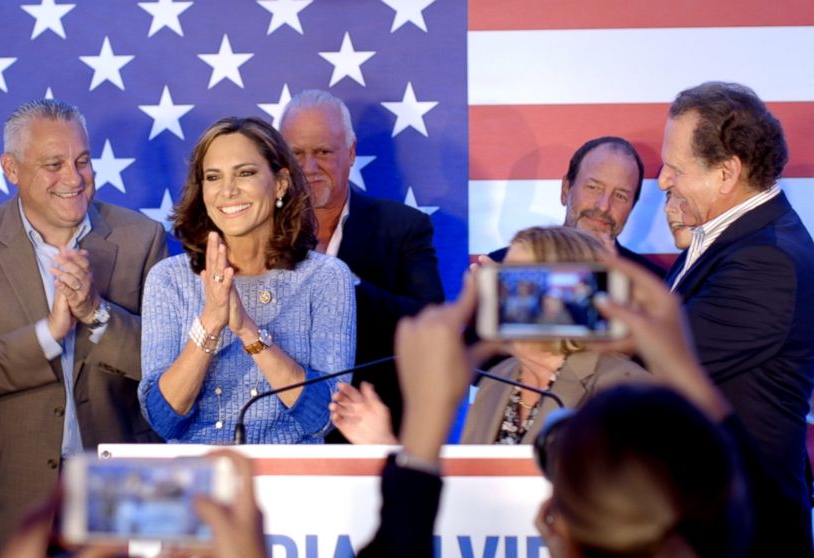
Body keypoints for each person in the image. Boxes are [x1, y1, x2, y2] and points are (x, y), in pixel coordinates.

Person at [190, 257, 756, 558]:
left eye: (523, 281)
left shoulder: (623, 397)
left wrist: (420, 445)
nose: (503, 292)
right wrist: (394, 445)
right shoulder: (496, 382)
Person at [0, 99, 167, 558]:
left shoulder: (142, 238)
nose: (74, 179)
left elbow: (164, 366)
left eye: (82, 161)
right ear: (11, 169)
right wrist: (48, 333)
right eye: (53, 165)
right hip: (3, 494)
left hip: (121, 487)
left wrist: (96, 312)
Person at [659, 81, 814, 552]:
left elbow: (664, 360)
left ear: (727, 173)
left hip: (744, 533)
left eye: (674, 168)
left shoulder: (768, 261)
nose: (663, 181)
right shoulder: (725, 237)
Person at [139, 116, 355, 444]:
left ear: (280, 183)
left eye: (246, 173)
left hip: (293, 482)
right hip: (197, 481)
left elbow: (322, 417)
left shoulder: (324, 279)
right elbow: (163, 419)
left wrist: (247, 331)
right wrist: (211, 322)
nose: (228, 190)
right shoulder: (169, 280)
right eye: (213, 177)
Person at [330, 226, 648, 446]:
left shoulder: (626, 388)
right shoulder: (497, 380)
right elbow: (470, 506)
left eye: (512, 279)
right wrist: (385, 443)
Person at [279, 90, 444, 439]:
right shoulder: (258, 233)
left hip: (369, 436)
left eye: (323, 152)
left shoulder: (402, 228)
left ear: (350, 153)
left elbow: (431, 326)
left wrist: (345, 282)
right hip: (277, 432)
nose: (309, 168)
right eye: (296, 154)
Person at [488, 136, 665, 278]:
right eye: (593, 187)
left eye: (620, 196)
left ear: (632, 206)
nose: (603, 206)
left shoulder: (654, 286)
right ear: (566, 189)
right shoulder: (503, 269)